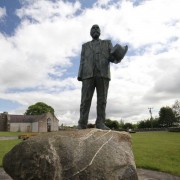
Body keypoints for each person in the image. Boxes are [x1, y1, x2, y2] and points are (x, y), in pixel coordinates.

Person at [77, 24, 127, 130]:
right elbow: (82, 61)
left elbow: (113, 58)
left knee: (102, 100)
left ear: (100, 32)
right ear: (90, 32)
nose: (95, 29)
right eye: (93, 28)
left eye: (97, 28)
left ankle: (100, 123)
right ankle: (82, 123)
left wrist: (117, 56)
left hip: (103, 74)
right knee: (85, 100)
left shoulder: (107, 43)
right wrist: (80, 75)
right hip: (87, 75)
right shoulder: (85, 46)